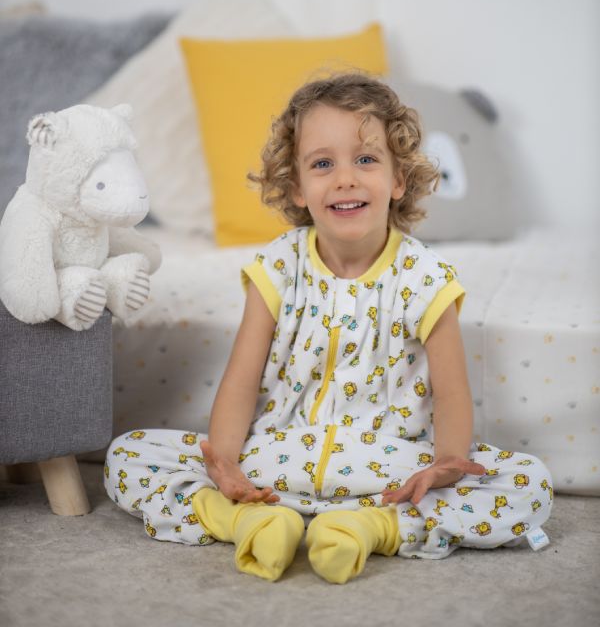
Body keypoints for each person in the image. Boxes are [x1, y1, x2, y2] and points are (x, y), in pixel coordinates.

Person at [104, 72, 553, 583]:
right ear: (297, 187)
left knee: (530, 482)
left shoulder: (426, 277)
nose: (345, 179)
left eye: (366, 160)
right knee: (127, 453)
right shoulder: (278, 266)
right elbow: (241, 380)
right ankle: (246, 519)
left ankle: (373, 527)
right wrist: (226, 465)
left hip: (388, 470)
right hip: (274, 459)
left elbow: (452, 393)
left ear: (399, 179)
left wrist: (446, 463)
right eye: (322, 164)